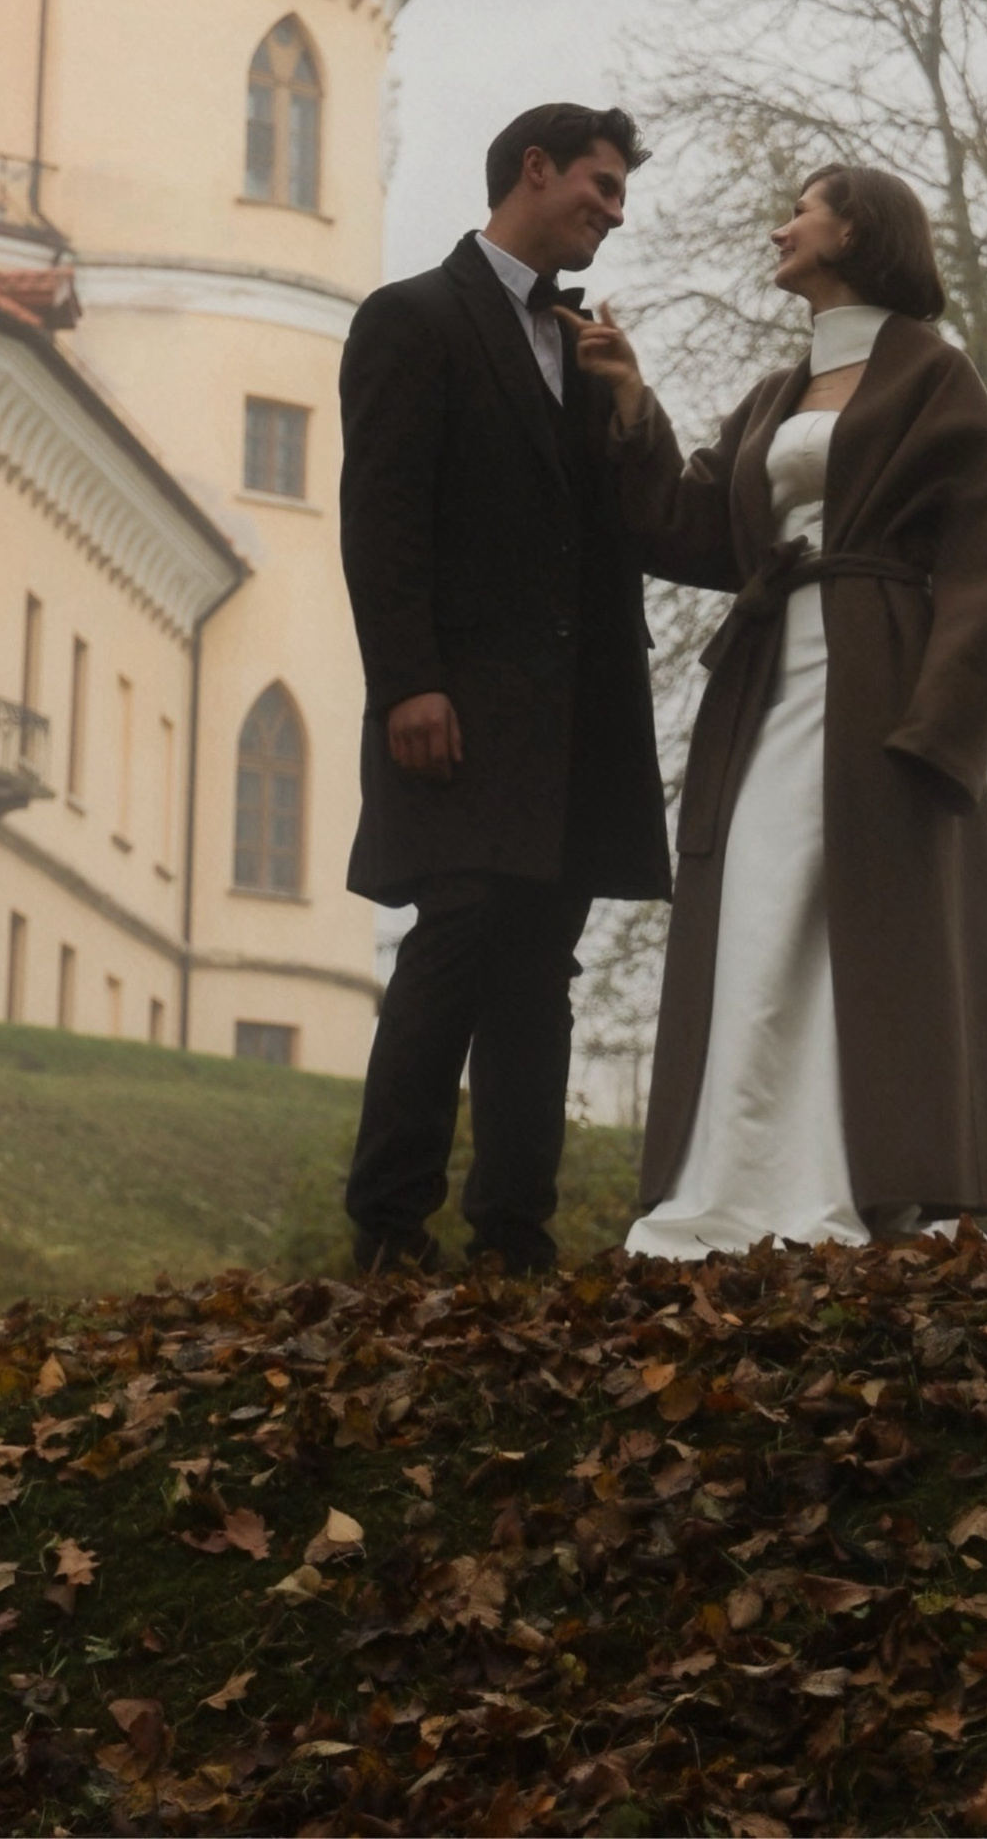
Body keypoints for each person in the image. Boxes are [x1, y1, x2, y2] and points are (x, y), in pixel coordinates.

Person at [614, 163, 987, 1255]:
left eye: (798, 210)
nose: (778, 225)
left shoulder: (935, 381)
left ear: (854, 231)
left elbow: (986, 562)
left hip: (880, 685)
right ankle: (736, 1189)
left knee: (867, 934)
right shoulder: (774, 394)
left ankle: (855, 1185)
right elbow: (689, 525)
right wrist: (629, 405)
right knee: (757, 914)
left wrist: (941, 729)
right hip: (771, 688)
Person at [336, 100, 675, 1272]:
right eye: (601, 185)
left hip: (578, 723)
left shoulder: (587, 349)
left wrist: (634, 400)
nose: (614, 212)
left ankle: (512, 1236)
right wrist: (407, 686)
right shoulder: (410, 318)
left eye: (623, 194)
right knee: (458, 934)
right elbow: (381, 522)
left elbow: (649, 522)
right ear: (533, 170)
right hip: (459, 711)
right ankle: (387, 1229)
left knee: (541, 963)